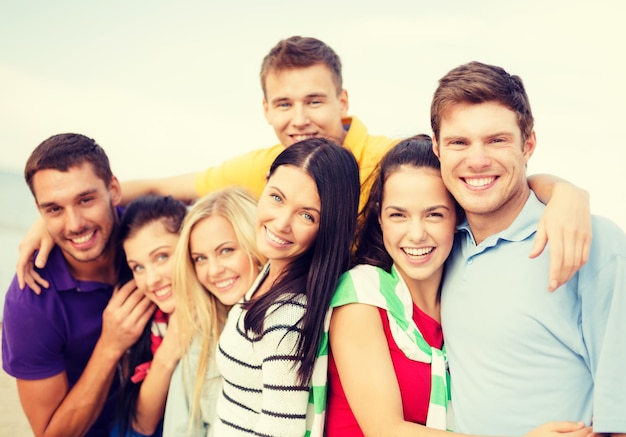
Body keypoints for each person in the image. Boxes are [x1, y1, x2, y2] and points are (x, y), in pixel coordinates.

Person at [17, 36, 592, 293]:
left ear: (343, 102)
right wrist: (57, 217)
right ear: (266, 109)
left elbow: (479, 175)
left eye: (315, 100)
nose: (300, 118)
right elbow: (165, 185)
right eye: (284, 103)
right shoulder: (272, 167)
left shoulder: (393, 159)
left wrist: (565, 192)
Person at [324, 136, 590, 437]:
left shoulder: (464, 291)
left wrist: (567, 194)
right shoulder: (362, 295)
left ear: (458, 217)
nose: (416, 234)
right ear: (380, 218)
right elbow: (385, 430)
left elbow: (515, 186)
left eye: (434, 214)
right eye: (398, 215)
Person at [430, 61, 626, 436]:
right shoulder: (439, 244)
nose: (477, 160)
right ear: (437, 147)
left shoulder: (593, 241)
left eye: (497, 140)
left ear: (528, 145)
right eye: (459, 142)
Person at [1, 133, 154, 437]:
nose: (75, 224)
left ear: (113, 189)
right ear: (40, 211)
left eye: (85, 200)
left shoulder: (151, 236)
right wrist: (110, 347)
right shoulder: (30, 302)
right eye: (54, 209)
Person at [213, 137, 360, 436]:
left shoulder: (286, 316)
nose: (281, 223)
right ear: (265, 184)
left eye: (307, 215)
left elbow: (280, 431)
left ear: (327, 227)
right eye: (277, 198)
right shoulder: (271, 271)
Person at [163, 187, 266, 436]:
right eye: (200, 258)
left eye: (226, 251)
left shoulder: (299, 317)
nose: (213, 270)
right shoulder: (202, 339)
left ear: (254, 243)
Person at [111, 195, 188, 436]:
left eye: (162, 257)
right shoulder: (148, 322)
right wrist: (169, 349)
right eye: (138, 267)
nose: (151, 280)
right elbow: (141, 424)